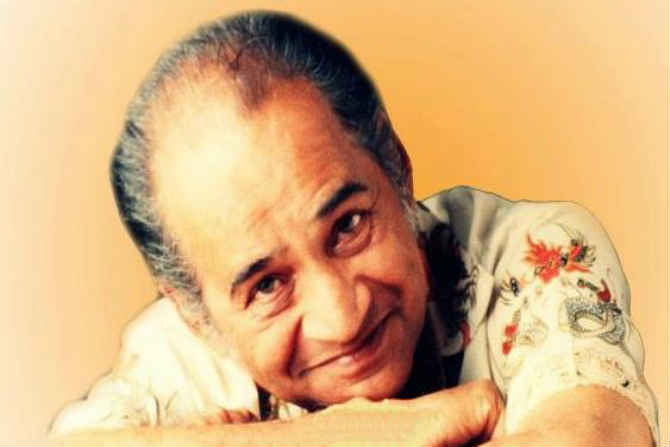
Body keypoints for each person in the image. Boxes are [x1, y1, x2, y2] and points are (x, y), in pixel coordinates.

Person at [49, 11, 658, 445]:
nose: (342, 316)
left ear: (396, 165)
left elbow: (594, 437)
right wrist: (371, 434)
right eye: (267, 286)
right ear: (194, 312)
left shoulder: (531, 254)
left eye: (347, 226)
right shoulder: (176, 351)